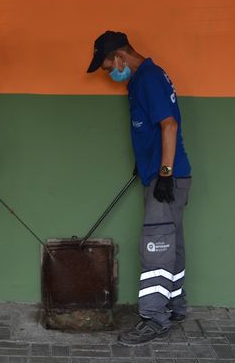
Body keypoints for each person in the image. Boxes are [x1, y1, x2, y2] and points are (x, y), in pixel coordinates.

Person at [87, 31, 192, 345]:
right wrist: (147, 163)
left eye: (108, 67)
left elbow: (169, 125)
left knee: (156, 246)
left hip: (168, 178)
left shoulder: (147, 79)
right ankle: (175, 305)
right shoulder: (144, 79)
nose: (109, 73)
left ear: (120, 56)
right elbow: (152, 128)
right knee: (171, 242)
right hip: (165, 174)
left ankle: (154, 319)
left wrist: (164, 173)